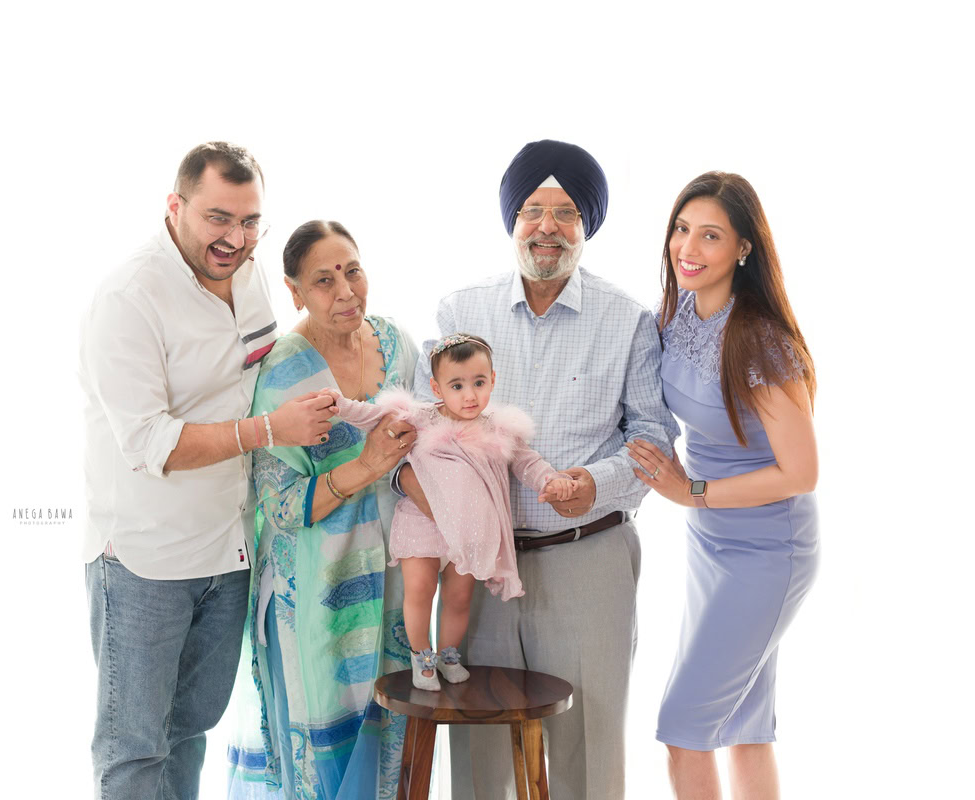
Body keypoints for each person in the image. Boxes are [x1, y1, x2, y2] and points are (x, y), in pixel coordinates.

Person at [400, 139, 680, 799]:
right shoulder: (459, 312)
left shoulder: (629, 320)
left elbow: (651, 435)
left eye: (566, 212)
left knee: (589, 745)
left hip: (590, 557)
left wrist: (596, 485)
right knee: (480, 753)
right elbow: (417, 427)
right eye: (533, 210)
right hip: (477, 569)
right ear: (512, 220)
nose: (548, 227)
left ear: (587, 225)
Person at [79, 143, 337, 799]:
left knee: (190, 731)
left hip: (229, 552)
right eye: (218, 218)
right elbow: (151, 443)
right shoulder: (128, 300)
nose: (235, 238)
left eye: (250, 222)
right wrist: (270, 431)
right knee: (134, 750)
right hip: (144, 559)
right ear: (176, 206)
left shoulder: (247, 274)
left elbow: (266, 368)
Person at [627, 171, 819, 800]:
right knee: (743, 724)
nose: (688, 247)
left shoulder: (760, 339)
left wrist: (695, 493)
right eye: (682, 229)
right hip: (711, 544)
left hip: (768, 551)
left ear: (743, 248)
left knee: (685, 728)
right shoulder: (679, 310)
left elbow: (802, 471)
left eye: (710, 236)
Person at [227, 220, 421, 800]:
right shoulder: (284, 371)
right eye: (324, 280)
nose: (345, 292)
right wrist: (367, 464)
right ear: (295, 293)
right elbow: (282, 508)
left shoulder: (396, 345)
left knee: (392, 746)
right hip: (310, 597)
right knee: (324, 764)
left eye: (353, 271)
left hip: (392, 584)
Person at [324, 334, 579, 691]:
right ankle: (421, 656)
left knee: (459, 598)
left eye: (478, 383)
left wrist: (551, 480)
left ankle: (448, 654)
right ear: (436, 387)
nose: (470, 395)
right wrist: (340, 405)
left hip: (469, 532)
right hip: (422, 523)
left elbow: (528, 463)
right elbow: (372, 416)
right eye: (457, 385)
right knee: (420, 589)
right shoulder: (421, 419)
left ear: (493, 379)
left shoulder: (497, 428)